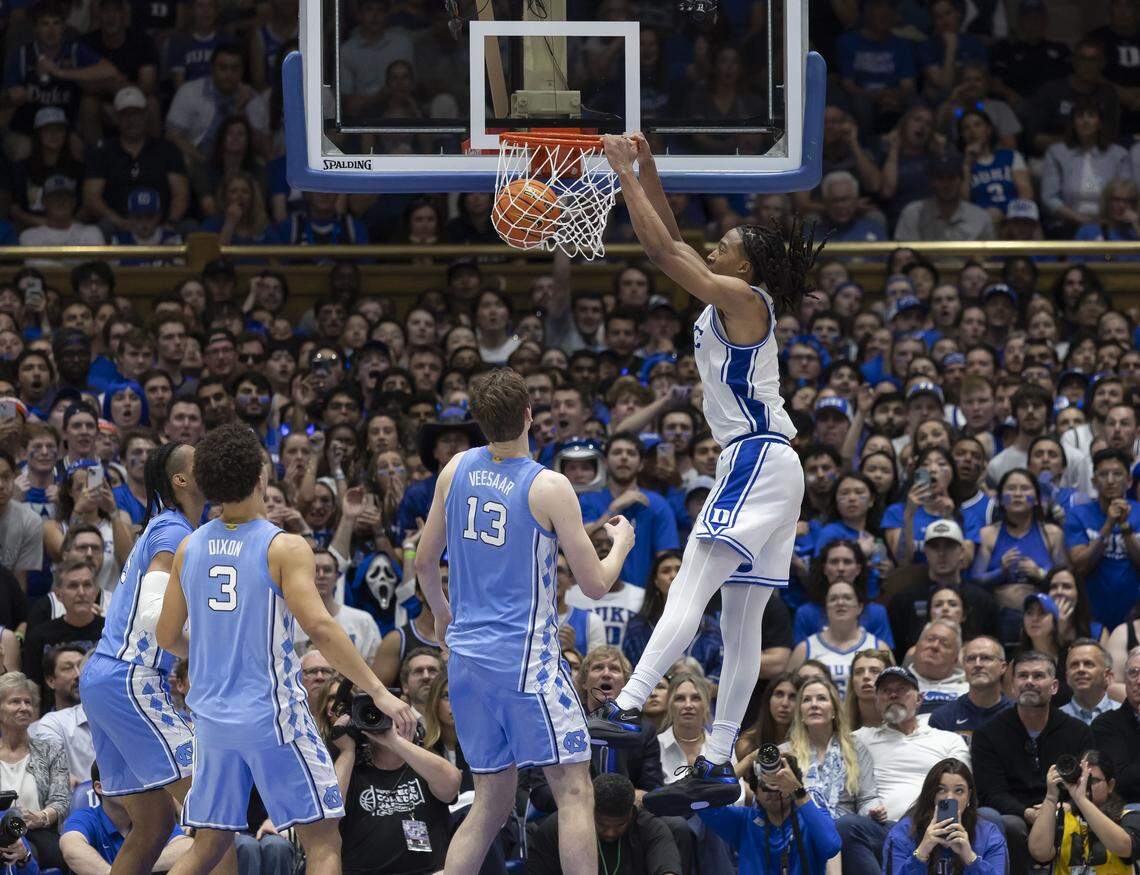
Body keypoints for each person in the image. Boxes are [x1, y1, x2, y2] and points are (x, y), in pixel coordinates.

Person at [591, 132, 816, 815]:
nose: (710, 246)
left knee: (693, 579)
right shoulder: (732, 295)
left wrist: (621, 174)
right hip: (773, 461)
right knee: (742, 619)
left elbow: (662, 251)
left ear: (745, 264)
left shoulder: (745, 302)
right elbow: (677, 243)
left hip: (756, 453)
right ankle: (717, 760)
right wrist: (647, 170)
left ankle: (630, 706)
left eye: (724, 244)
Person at [155, 423, 416, 875]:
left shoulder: (190, 547)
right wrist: (378, 690)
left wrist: (215, 652)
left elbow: (166, 636)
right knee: (323, 839)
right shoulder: (283, 545)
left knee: (209, 845)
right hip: (271, 714)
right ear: (261, 476)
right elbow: (320, 626)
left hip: (213, 718)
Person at [413, 369, 635, 875]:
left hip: (467, 660)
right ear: (530, 415)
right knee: (575, 787)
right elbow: (595, 585)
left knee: (491, 795)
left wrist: (443, 616)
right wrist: (621, 545)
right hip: (524, 660)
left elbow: (425, 563)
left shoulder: (455, 468)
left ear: (479, 420)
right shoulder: (549, 486)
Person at [79, 440, 226, 875]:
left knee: (155, 824)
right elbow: (152, 611)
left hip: (106, 680)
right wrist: (207, 652)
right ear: (181, 479)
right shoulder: (174, 530)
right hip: (132, 677)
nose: (214, 462)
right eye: (203, 460)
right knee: (216, 808)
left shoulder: (168, 527)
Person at [970, 650, 1095, 873]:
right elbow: (991, 793)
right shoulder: (988, 734)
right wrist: (1029, 813)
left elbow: (1089, 785)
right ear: (1012, 686)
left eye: (1038, 676)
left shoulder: (1078, 731)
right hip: (1016, 815)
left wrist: (1065, 808)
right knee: (1008, 823)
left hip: (1065, 810)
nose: (1029, 682)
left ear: (1054, 686)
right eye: (1022, 676)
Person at [844, 667, 970, 875]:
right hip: (885, 828)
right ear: (877, 702)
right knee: (847, 825)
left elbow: (964, 788)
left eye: (902, 689)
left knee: (990, 819)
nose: (893, 695)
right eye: (885, 691)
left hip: (937, 823)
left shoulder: (948, 740)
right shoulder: (858, 740)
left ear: (919, 699)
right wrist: (869, 810)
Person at [330, 701, 461, 875]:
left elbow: (451, 783)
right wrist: (347, 751)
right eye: (378, 714)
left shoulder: (424, 767)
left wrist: (395, 741)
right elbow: (329, 810)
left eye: (395, 716)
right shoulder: (351, 771)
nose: (386, 721)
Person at [698, 751, 841, 875]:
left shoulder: (809, 819)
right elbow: (701, 800)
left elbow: (831, 846)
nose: (772, 790)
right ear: (754, 789)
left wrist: (797, 790)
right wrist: (749, 760)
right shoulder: (744, 821)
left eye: (779, 783)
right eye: (765, 784)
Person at [525, 774, 683, 875]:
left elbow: (667, 867)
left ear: (632, 813)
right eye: (602, 825)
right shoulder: (557, 827)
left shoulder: (650, 827)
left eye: (620, 825)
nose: (610, 832)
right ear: (589, 811)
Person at [781, 677, 882, 824]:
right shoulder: (785, 753)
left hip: (845, 831)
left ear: (834, 709)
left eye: (821, 698)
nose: (814, 705)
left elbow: (867, 799)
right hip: (800, 831)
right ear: (800, 713)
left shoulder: (855, 747)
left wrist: (874, 811)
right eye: (807, 700)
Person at [60, 763, 193, 874]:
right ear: (100, 788)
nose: (133, 786)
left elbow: (187, 846)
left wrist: (134, 867)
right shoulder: (86, 817)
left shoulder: (151, 817)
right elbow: (70, 847)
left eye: (134, 779)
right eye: (121, 780)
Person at [883, 758, 1008, 872]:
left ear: (969, 796)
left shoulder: (989, 835)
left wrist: (970, 858)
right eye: (941, 790)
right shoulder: (904, 832)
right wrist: (921, 852)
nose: (949, 797)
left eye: (959, 790)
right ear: (931, 794)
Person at [1028, 748, 1140, 871]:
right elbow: (1039, 853)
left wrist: (1081, 800)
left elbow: (1124, 847)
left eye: (1092, 780)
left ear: (1110, 785)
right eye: (1081, 779)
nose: (1085, 784)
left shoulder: (1128, 817)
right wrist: (1050, 797)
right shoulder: (1061, 819)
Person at [0, 672, 70, 869]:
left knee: (44, 853)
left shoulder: (51, 749)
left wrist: (41, 817)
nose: (24, 707)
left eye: (28, 702)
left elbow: (61, 801)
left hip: (38, 833)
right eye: (15, 701)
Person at [1065, 449, 1140, 630]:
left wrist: (1124, 528)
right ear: (1093, 481)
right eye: (1104, 474)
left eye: (1117, 474)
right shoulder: (1078, 515)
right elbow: (1080, 566)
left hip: (1135, 612)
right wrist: (1108, 524)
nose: (1111, 480)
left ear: (1129, 481)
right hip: (1092, 613)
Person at [786, 569, 890, 698]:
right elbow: (789, 692)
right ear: (825, 607)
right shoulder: (804, 649)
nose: (840, 603)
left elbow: (891, 690)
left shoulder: (879, 647)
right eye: (833, 599)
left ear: (860, 607)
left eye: (847, 598)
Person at [928, 636, 1012, 739]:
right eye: (971, 659)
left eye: (986, 658)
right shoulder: (943, 717)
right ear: (964, 666)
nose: (977, 664)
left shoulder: (1019, 715)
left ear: (1002, 667)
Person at [1092, 645, 1140, 804]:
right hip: (1129, 810)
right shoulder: (1106, 724)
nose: (1139, 681)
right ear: (1125, 680)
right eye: (1133, 673)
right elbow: (1120, 782)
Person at [1060, 638, 1118, 725]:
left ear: (1107, 676)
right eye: (1074, 665)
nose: (1080, 669)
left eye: (1088, 664)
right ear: (1067, 677)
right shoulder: (1055, 720)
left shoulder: (1126, 716)